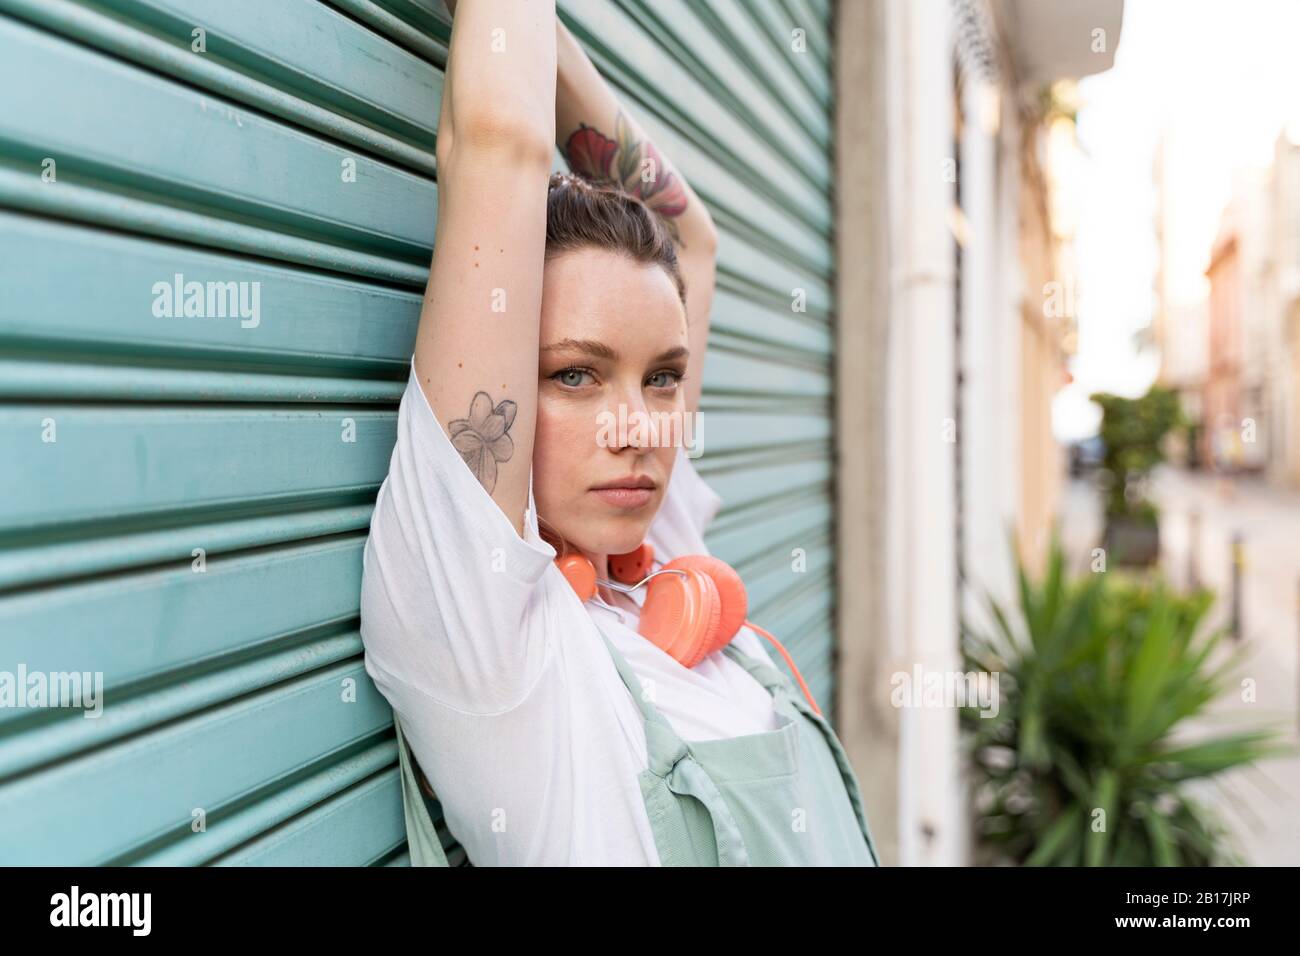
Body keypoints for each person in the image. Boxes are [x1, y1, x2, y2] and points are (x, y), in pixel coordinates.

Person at [359, 0, 879, 866]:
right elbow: (499, 152)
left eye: (663, 376)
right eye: (575, 374)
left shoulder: (652, 552)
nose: (640, 429)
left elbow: (684, 236)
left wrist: (543, 36)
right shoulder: (499, 647)